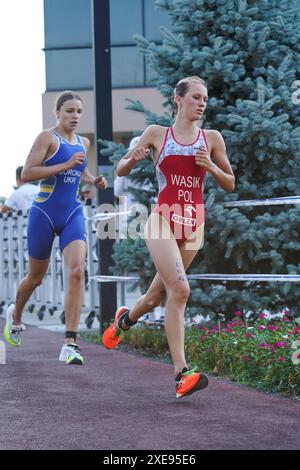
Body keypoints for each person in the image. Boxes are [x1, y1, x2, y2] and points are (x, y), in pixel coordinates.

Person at [102, 76, 235, 398]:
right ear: (178, 99)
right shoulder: (157, 134)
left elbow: (230, 182)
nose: (202, 104)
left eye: (205, 99)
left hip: (193, 224)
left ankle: (124, 320)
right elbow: (120, 170)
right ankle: (181, 373)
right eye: (196, 97)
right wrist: (131, 159)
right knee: (181, 290)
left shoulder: (212, 138)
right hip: (162, 219)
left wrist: (211, 167)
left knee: (153, 298)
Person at [3, 90, 107, 365]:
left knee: (76, 271)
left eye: (79, 112)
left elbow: (79, 170)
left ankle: (70, 342)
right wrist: (64, 165)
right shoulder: (47, 137)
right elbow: (27, 173)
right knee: (35, 278)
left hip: (72, 212)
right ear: (58, 113)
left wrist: (93, 179)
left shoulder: (84, 142)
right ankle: (15, 316)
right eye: (69, 111)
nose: (75, 116)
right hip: (44, 213)